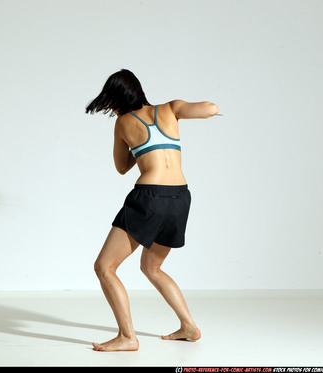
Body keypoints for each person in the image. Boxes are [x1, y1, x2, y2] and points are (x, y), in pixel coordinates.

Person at [85, 69, 220, 352]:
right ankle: (189, 327)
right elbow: (211, 108)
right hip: (180, 197)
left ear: (117, 98)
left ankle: (127, 337)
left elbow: (121, 168)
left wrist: (140, 147)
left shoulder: (123, 122)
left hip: (149, 198)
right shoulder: (171, 109)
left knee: (105, 267)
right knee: (152, 267)